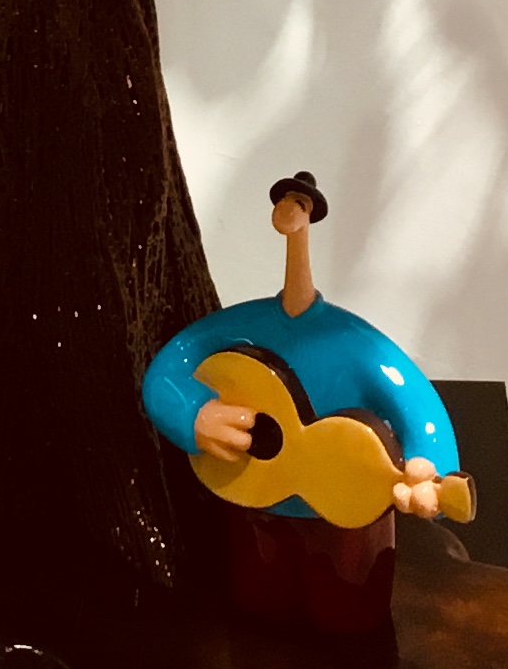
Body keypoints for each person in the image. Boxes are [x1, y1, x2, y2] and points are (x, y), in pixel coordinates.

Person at [141, 172, 461, 635]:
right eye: (285, 201)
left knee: (349, 614)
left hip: (344, 522)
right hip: (256, 505)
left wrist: (432, 467)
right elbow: (167, 372)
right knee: (259, 610)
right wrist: (193, 414)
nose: (289, 212)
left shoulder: (355, 345)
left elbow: (413, 399)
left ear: (309, 215)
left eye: (300, 204)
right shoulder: (240, 329)